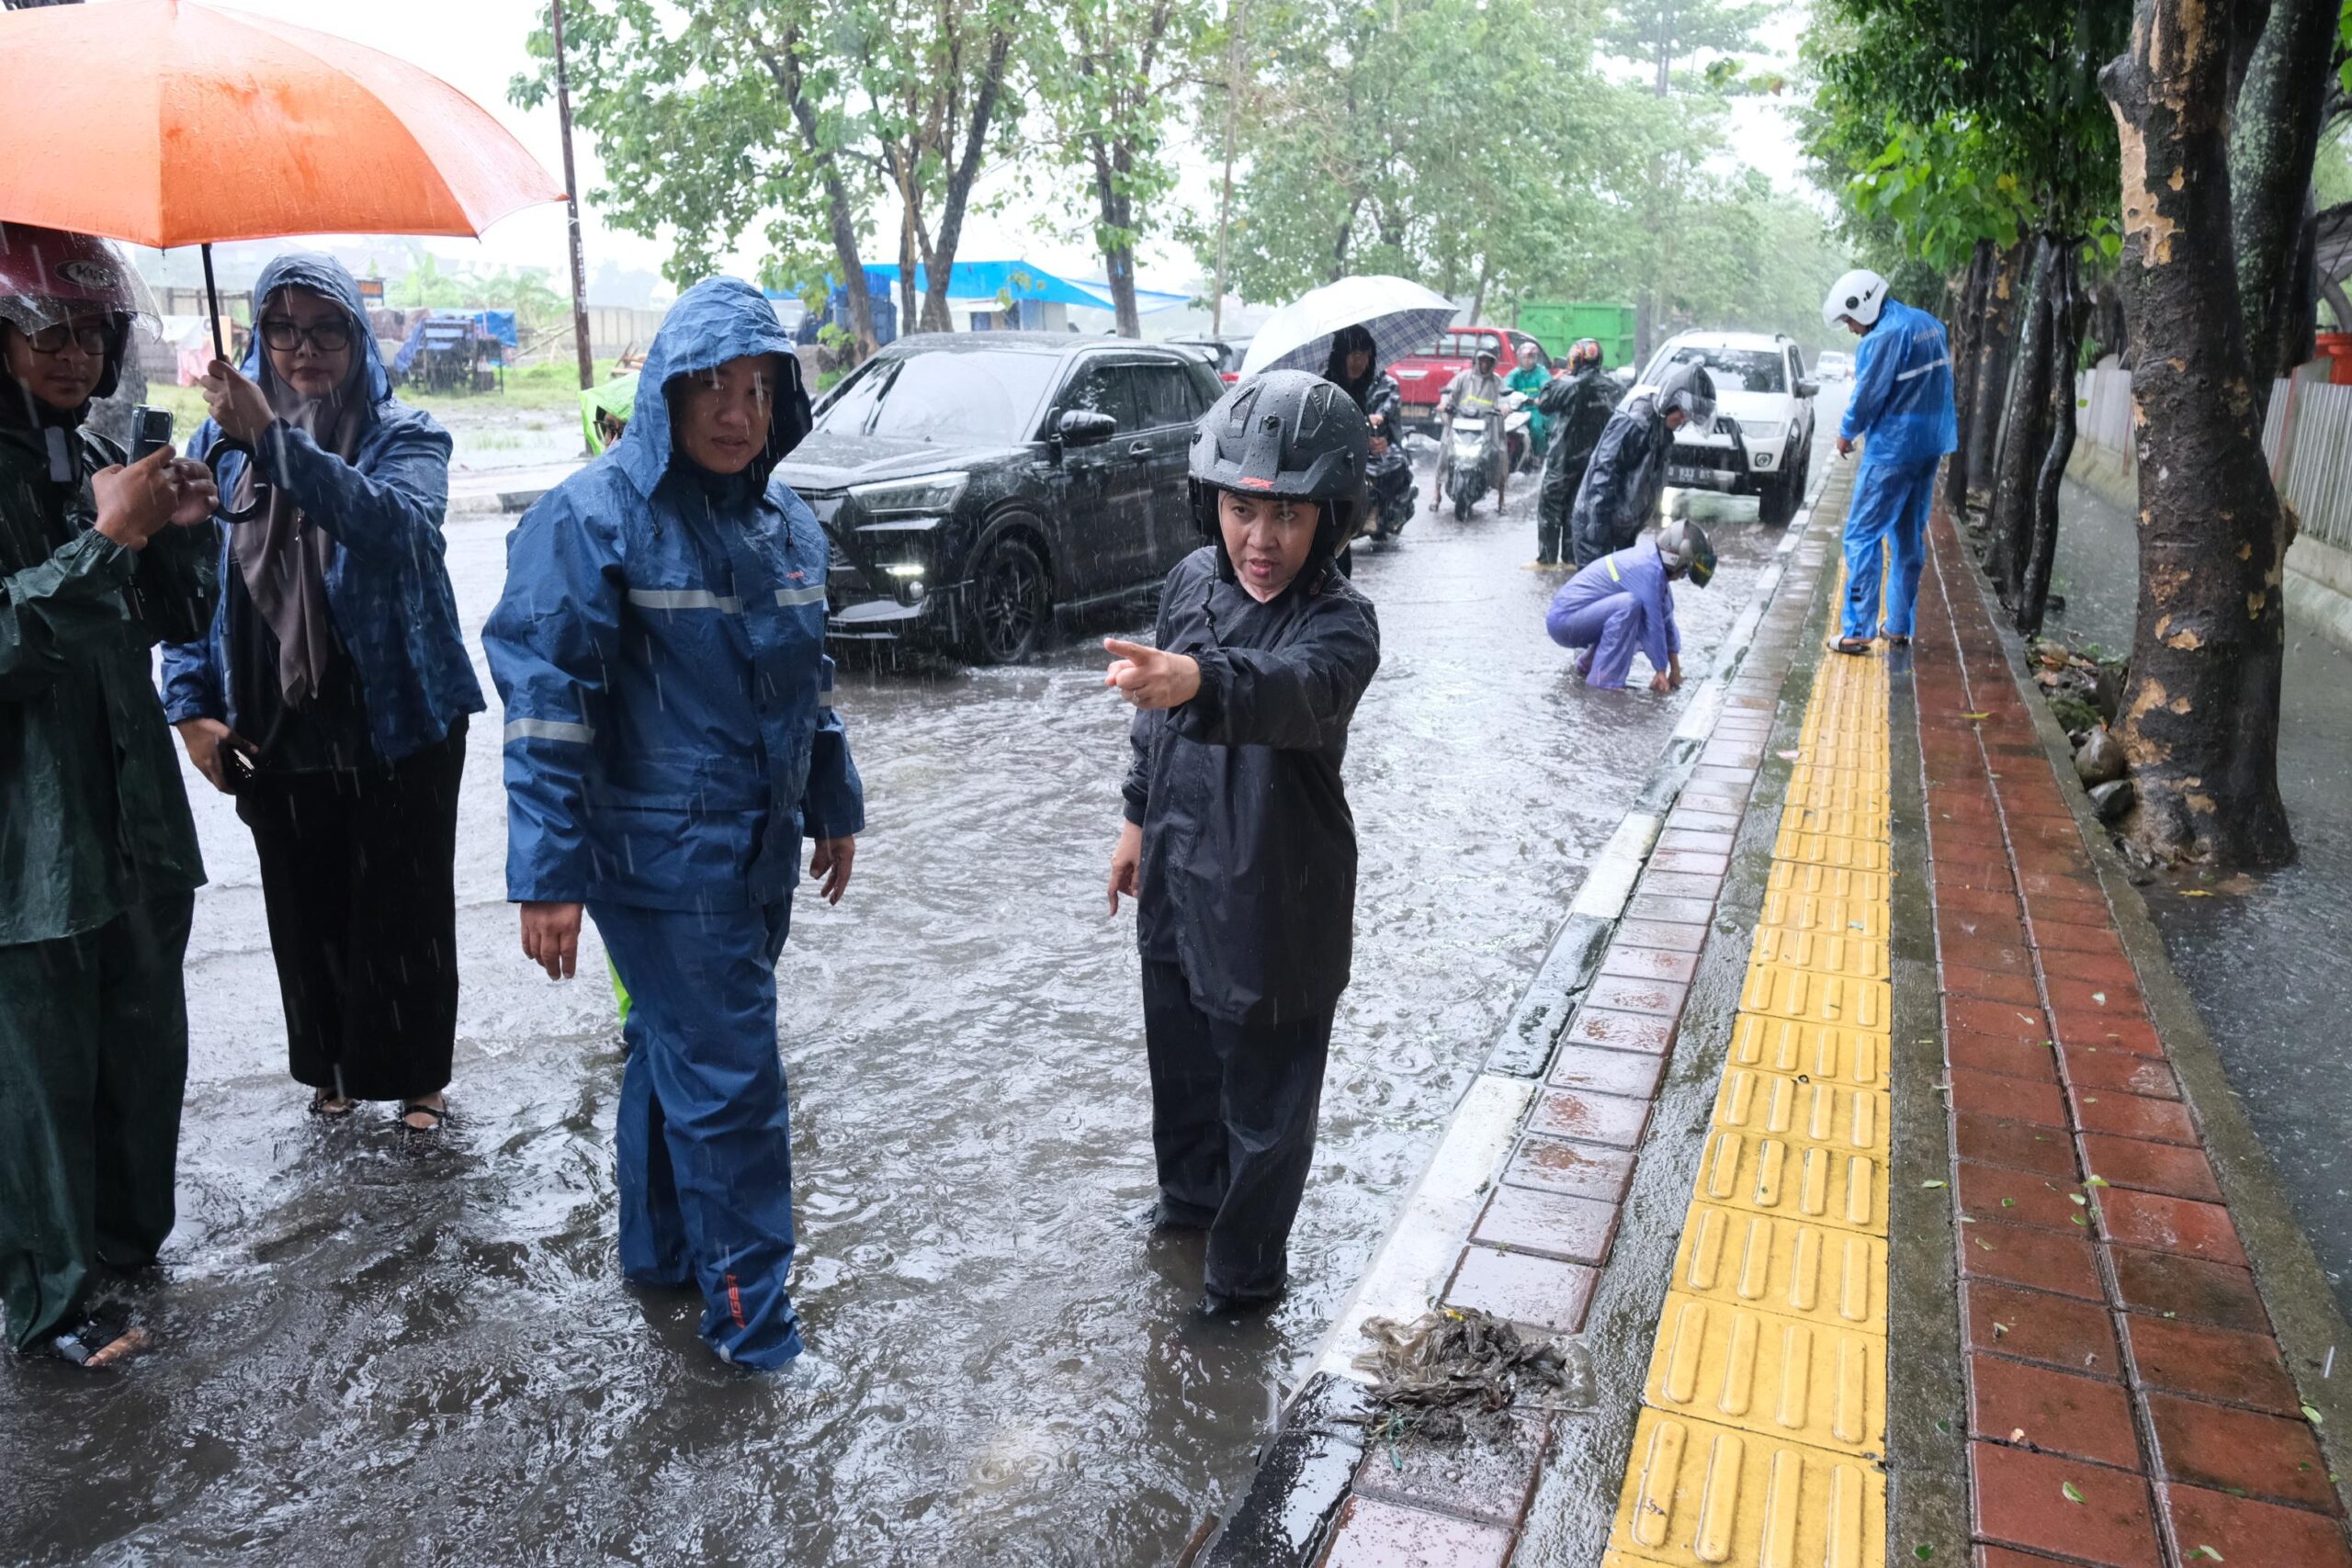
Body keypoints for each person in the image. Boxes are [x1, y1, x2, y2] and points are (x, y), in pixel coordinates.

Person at [482, 277, 863, 1374]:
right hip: (658, 857)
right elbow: (546, 702)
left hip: (756, 847)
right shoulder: (592, 516)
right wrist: (547, 874)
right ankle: (756, 1335)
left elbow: (805, 682)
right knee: (734, 1086)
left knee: (673, 1052)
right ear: (667, 392)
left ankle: (661, 1260)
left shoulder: (784, 519)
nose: (739, 414)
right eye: (715, 389)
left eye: (760, 390)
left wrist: (831, 800)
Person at [164, 254, 483, 1133]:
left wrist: (274, 440)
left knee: (404, 905)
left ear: (358, 336)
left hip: (395, 712)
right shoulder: (215, 448)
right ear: (258, 337)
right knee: (304, 906)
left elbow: (400, 529)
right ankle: (332, 1070)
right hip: (273, 715)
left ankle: (417, 1079)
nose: (303, 348)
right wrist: (190, 709)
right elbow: (189, 587)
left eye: (326, 328)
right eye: (283, 328)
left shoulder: (403, 434)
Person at [1103, 370, 1380, 1318]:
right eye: (1241, 510)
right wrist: (1135, 821)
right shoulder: (1189, 581)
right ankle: (1186, 1214)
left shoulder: (1343, 624)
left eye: (1289, 516)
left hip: (1278, 899)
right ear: (1210, 503)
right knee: (1181, 1079)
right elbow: (1151, 719)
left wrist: (1199, 680)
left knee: (1265, 1119)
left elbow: (1291, 691)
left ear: (1331, 518)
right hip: (1179, 876)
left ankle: (1243, 1291)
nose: (1261, 541)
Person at [0, 223, 220, 1367]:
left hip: (135, 824)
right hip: (28, 842)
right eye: (46, 328)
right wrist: (102, 540)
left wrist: (175, 537)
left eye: (93, 330)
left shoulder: (99, 450)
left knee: (143, 1048)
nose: (73, 353)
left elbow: (172, 622)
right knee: (38, 1077)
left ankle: (125, 1248)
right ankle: (51, 1299)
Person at [1823, 267, 1957, 653]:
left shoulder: (1882, 338)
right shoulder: (1929, 324)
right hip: (1930, 447)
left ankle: (1858, 629)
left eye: (1850, 319)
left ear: (1863, 306)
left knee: (1861, 536)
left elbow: (1867, 397)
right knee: (1907, 538)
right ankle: (1898, 626)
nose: (1851, 329)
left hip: (1892, 452)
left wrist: (1846, 432)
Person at [1567, 359, 1716, 568]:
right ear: (1670, 402)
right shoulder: (1635, 423)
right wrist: (1597, 531)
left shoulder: (1661, 429)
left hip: (1621, 528)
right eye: (1682, 414)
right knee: (1597, 585)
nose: (1683, 420)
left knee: (1621, 584)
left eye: (1688, 418)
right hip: (1598, 525)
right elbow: (1603, 475)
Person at [1544, 519, 1715, 692]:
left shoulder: (1654, 566)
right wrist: (1661, 670)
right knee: (1631, 606)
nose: (1682, 577)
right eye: (1684, 571)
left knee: (1636, 612)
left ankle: (1589, 663)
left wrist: (1675, 670)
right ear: (1675, 561)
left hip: (1576, 619)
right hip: (1565, 622)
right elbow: (1654, 626)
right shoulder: (1648, 572)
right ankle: (1604, 681)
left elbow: (1667, 622)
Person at [1319, 323, 1413, 544]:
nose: (1360, 362)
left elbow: (1362, 424)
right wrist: (1364, 441)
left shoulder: (1362, 388)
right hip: (1331, 479)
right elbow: (1333, 432)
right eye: (1355, 355)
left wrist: (1370, 441)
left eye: (1366, 355)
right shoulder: (1329, 388)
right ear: (1341, 355)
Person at [1529, 338, 1614, 569]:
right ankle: (1570, 557)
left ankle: (1547, 558)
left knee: (1550, 507)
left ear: (1575, 359)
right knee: (1576, 508)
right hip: (1593, 460)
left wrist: (1558, 378)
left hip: (1564, 458)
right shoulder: (1612, 387)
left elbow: (1544, 402)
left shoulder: (1569, 385)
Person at [1435, 344, 1510, 512]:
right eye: (1482, 360)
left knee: (1500, 452)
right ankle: (1436, 493)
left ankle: (1501, 499)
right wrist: (1444, 403)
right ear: (1476, 360)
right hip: (1461, 425)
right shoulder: (1463, 377)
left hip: (1487, 426)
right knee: (1445, 448)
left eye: (1489, 361)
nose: (1485, 364)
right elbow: (1448, 392)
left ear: (1494, 363)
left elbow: (1504, 398)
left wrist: (1505, 407)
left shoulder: (1497, 381)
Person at [1505, 340, 1551, 464]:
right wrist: (1505, 403)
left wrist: (1541, 398)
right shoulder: (1515, 374)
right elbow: (1505, 388)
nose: (1527, 361)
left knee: (1536, 428)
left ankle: (1539, 456)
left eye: (1530, 357)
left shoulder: (1541, 372)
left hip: (1535, 409)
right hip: (1517, 409)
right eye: (1524, 357)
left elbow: (1547, 386)